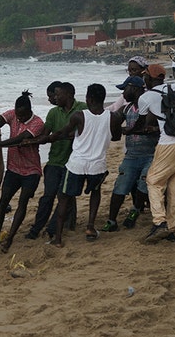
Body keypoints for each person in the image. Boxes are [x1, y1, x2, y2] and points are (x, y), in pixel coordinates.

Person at [34, 84, 118, 246]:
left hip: (76, 164)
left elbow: (63, 132)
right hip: (97, 165)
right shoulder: (113, 117)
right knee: (95, 194)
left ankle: (57, 238)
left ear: (89, 98)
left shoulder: (79, 116)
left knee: (64, 198)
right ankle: (90, 227)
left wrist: (48, 138)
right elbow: (115, 137)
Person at [136, 64, 175, 244]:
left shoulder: (145, 97)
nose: (143, 80)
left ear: (149, 78)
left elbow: (142, 122)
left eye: (144, 77)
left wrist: (131, 130)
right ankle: (170, 228)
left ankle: (160, 222)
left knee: (154, 180)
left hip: (170, 142)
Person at [0, 91, 45, 253]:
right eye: (17, 115)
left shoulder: (38, 123)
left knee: (22, 202)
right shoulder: (12, 115)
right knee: (3, 201)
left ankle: (10, 238)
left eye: (23, 116)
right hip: (13, 169)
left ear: (30, 111)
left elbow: (18, 140)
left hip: (31, 170)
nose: (19, 119)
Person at [25, 81, 85, 240]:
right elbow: (46, 134)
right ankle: (36, 229)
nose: (55, 98)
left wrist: (59, 136)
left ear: (69, 94)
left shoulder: (82, 109)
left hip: (74, 162)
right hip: (54, 161)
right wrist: (32, 139)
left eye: (58, 94)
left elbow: (85, 132)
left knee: (64, 196)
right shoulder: (53, 113)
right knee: (48, 196)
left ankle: (52, 229)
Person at [102, 76, 158, 233]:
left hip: (151, 154)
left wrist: (129, 130)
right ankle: (111, 220)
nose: (123, 94)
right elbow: (115, 121)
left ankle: (135, 210)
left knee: (143, 183)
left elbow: (148, 126)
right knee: (120, 186)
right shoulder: (127, 108)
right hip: (131, 155)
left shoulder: (149, 106)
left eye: (124, 89)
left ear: (134, 88)